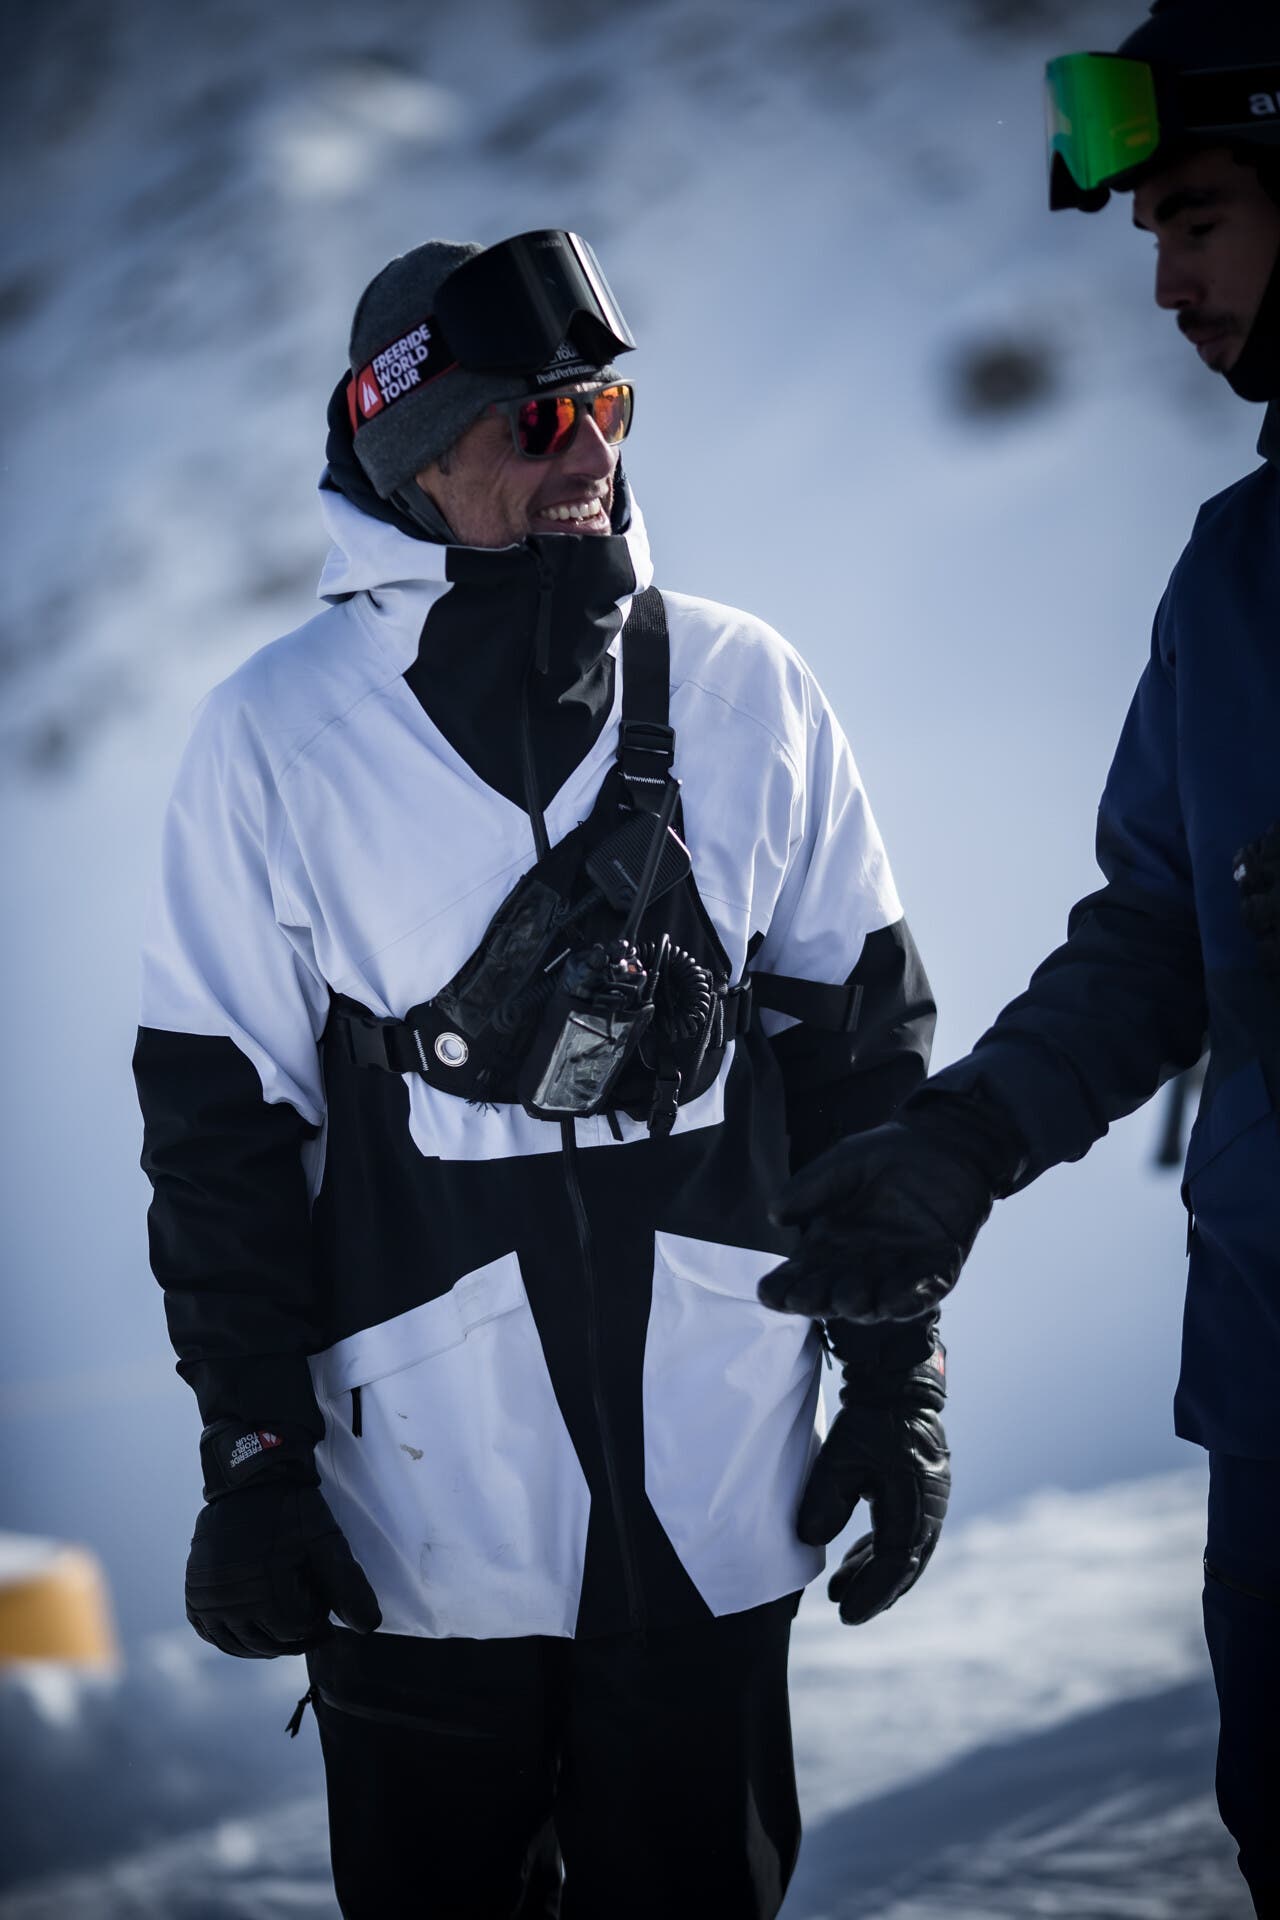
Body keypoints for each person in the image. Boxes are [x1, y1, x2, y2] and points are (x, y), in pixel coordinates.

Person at [133, 228, 949, 1919]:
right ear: (414, 454)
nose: (588, 453)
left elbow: (862, 1064)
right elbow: (217, 1138)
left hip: (721, 1497)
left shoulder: (746, 684)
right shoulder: (273, 736)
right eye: (537, 420)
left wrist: (894, 1380)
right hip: (414, 1534)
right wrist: (258, 1458)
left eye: (608, 407)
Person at [758, 3, 1280, 1913]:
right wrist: (958, 1148)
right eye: (1148, 230)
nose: (1165, 279)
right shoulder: (1236, 577)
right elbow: (1157, 931)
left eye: (1199, 215)